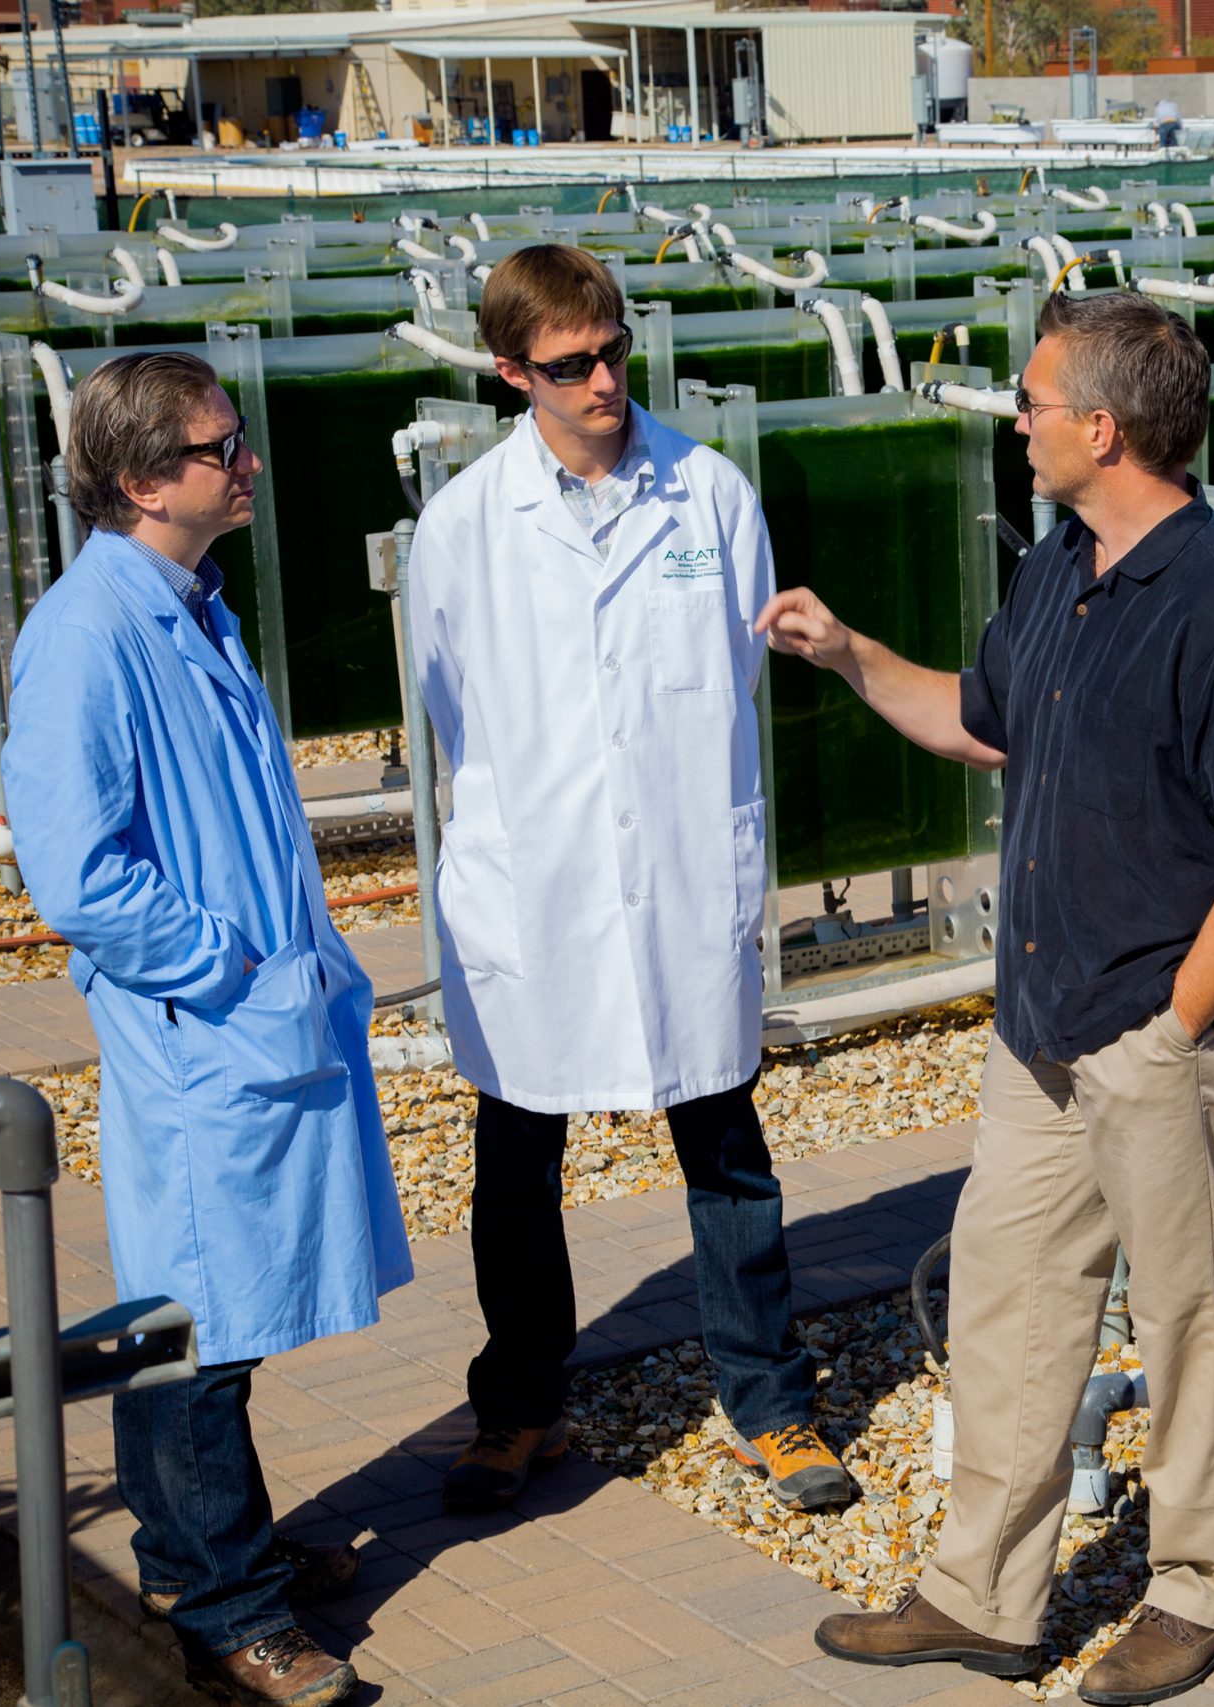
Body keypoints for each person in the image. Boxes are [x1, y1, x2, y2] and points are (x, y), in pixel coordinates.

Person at [770, 291, 1214, 1705]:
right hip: (1040, 1027)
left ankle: (1200, 1586)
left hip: (1154, 1034)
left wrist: (1176, 1025)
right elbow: (982, 718)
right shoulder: (1058, 563)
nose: (1015, 418)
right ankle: (983, 1595)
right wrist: (844, 654)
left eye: (1032, 398)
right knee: (1010, 1301)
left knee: (1189, 1317)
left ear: (1104, 425)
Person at [405, 245, 854, 1515]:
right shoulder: (465, 526)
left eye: (612, 351)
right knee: (516, 1159)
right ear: (510, 374)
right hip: (534, 886)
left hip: (677, 870)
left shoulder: (707, 494)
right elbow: (452, 704)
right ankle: (521, 1407)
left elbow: (736, 671)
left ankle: (769, 1402)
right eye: (568, 367)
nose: (602, 380)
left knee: (725, 1145)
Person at [4, 351, 411, 1707]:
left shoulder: (188, 603)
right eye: (216, 447)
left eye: (235, 440)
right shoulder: (88, 633)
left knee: (196, 1305)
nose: (243, 465)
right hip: (201, 1026)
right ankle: (229, 1598)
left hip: (240, 1015)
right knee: (194, 1319)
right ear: (136, 479)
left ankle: (194, 1546)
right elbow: (77, 874)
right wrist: (221, 958)